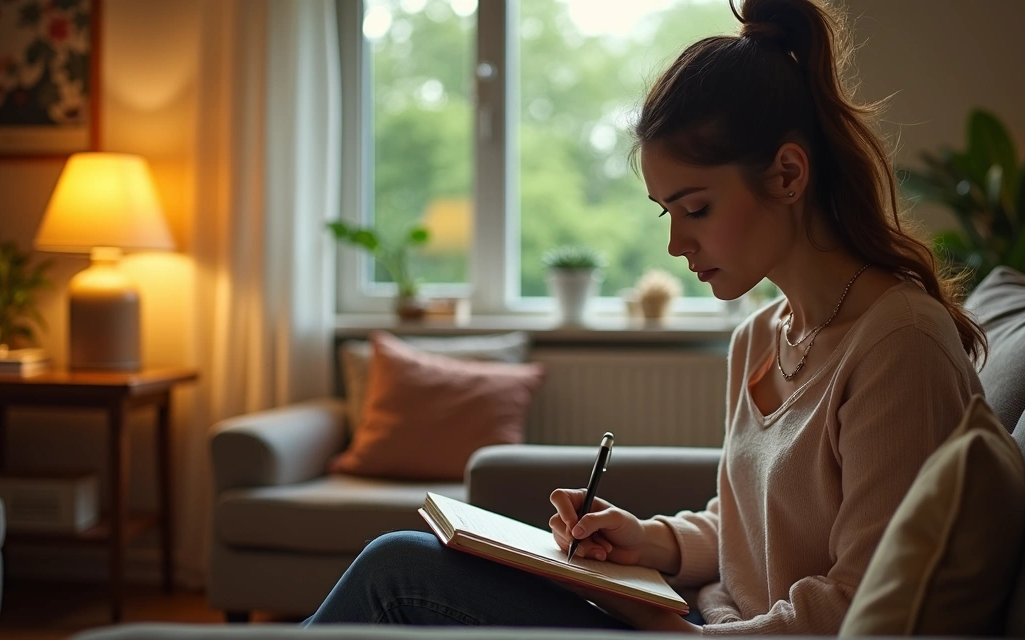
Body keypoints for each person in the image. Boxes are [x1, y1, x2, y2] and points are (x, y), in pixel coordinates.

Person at [304, 0, 987, 633]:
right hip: (699, 618)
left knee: (399, 571)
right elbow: (744, 532)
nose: (676, 243)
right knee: (402, 563)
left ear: (787, 175)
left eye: (696, 209)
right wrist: (648, 541)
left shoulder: (899, 344)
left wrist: (675, 632)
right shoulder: (761, 335)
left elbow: (864, 609)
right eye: (668, 213)